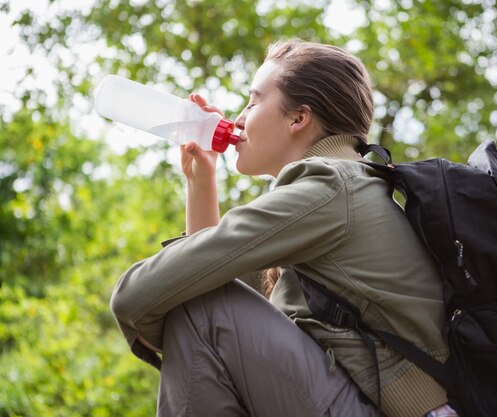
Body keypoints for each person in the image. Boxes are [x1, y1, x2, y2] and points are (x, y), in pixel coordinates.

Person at [110, 39, 457, 417]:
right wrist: (201, 184)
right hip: (369, 403)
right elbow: (206, 286)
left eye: (253, 101)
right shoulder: (347, 184)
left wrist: (157, 325)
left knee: (197, 308)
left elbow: (139, 296)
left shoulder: (329, 187)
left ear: (298, 119)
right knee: (199, 302)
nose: (239, 118)